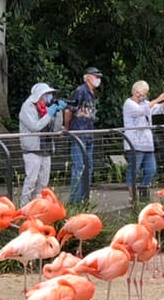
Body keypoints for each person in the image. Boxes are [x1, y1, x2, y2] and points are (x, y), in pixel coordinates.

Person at [122, 80, 164, 201]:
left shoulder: (145, 103)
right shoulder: (129, 104)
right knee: (134, 170)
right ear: (137, 92)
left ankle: (143, 191)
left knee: (151, 169)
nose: (145, 96)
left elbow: (159, 109)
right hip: (134, 143)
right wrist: (158, 99)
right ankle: (132, 196)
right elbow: (141, 111)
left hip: (147, 144)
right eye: (144, 92)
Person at [19, 83, 66, 206]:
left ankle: (38, 207)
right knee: (31, 181)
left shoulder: (47, 108)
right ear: (39, 95)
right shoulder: (28, 107)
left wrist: (59, 112)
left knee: (43, 183)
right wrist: (49, 114)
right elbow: (35, 126)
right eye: (47, 94)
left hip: (46, 149)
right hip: (32, 150)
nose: (49, 97)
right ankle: (24, 207)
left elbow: (56, 130)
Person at [64, 67, 102, 204]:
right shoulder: (80, 91)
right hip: (79, 134)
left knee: (88, 167)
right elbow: (69, 110)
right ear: (88, 77)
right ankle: (74, 201)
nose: (98, 79)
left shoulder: (92, 93)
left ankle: (84, 199)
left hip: (89, 135)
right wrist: (67, 128)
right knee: (79, 167)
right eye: (95, 76)